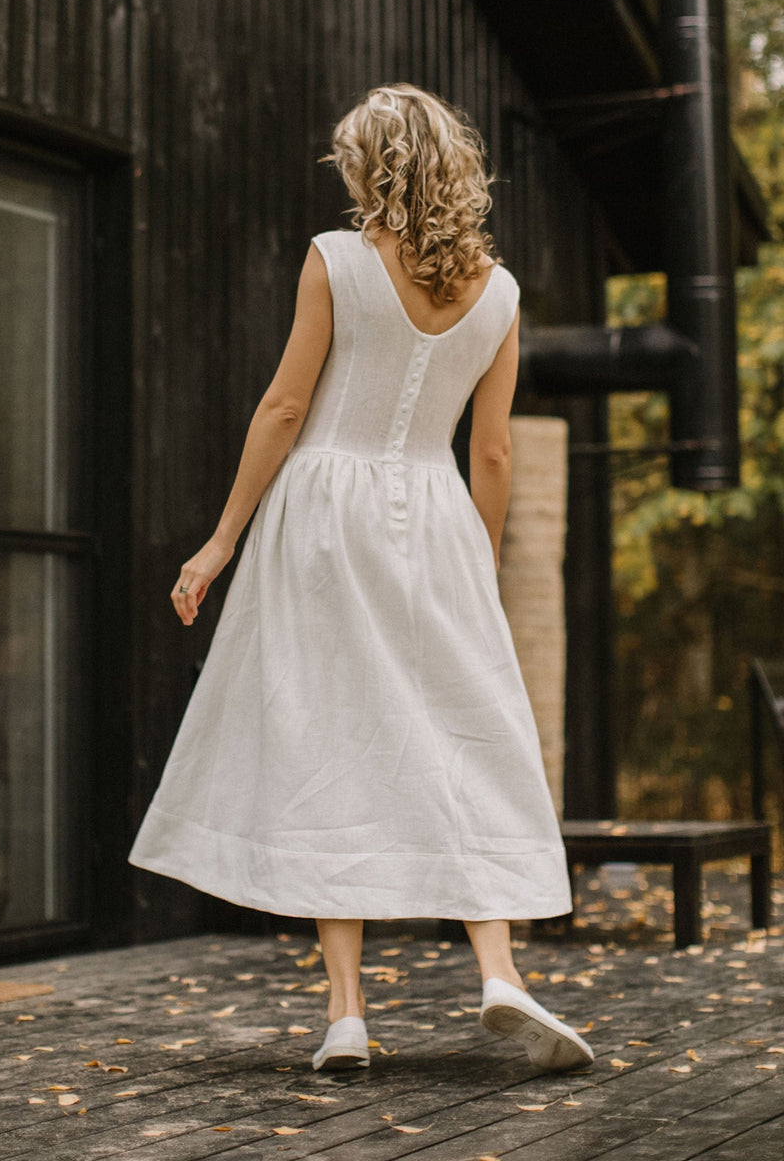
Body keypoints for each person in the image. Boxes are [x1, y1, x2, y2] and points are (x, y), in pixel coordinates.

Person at [128, 83, 593, 1074]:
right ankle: (499, 972)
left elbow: (284, 409)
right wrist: (476, 560)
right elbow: (496, 454)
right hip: (438, 517)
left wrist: (217, 543)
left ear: (369, 165)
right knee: (467, 733)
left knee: (325, 734)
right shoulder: (500, 293)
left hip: (323, 518)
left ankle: (345, 1014)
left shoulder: (336, 259)